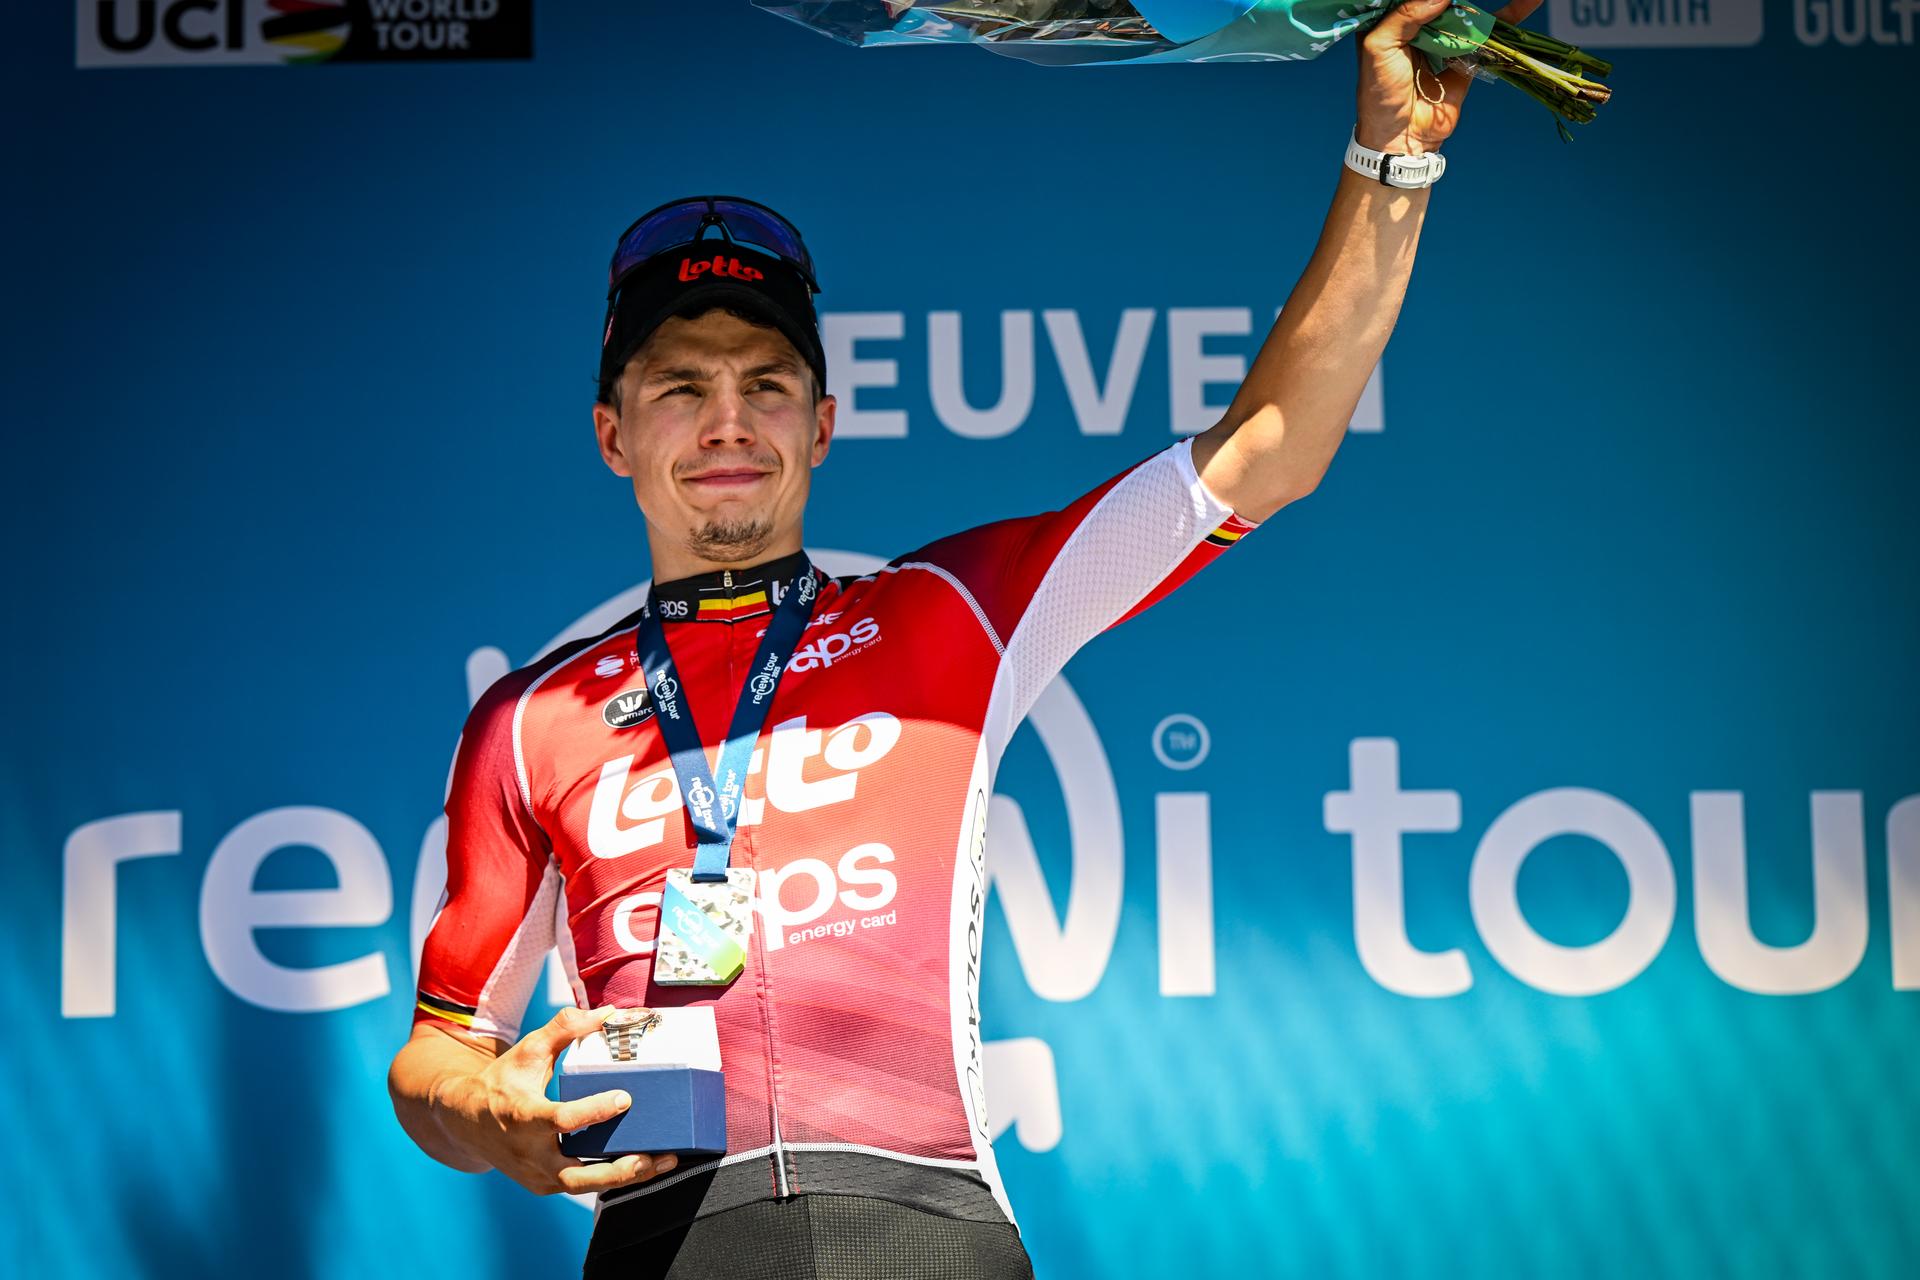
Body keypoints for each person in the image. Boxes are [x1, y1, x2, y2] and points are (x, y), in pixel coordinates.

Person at [387, 2, 1530, 1274]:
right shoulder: (530, 721)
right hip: (665, 1240)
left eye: (766, 383)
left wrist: (1395, 161)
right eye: (679, 386)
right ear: (614, 434)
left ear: (821, 425)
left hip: (926, 1228)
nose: (726, 421)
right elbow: (438, 1049)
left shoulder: (951, 612)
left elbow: (1268, 449)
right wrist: (492, 1114)